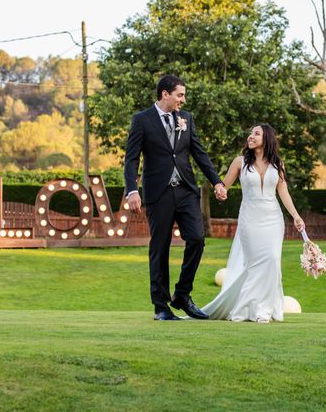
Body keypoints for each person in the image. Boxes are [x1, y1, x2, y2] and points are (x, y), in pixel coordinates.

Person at [124, 74, 227, 321]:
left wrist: (217, 181)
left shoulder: (186, 119)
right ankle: (161, 306)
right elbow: (131, 158)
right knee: (160, 247)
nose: (183, 100)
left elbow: (199, 153)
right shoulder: (142, 120)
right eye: (180, 95)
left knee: (197, 239)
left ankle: (182, 294)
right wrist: (132, 190)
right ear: (165, 94)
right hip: (158, 193)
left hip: (185, 190)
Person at [202, 124, 305, 323]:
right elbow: (224, 186)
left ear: (266, 138)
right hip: (249, 218)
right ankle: (245, 309)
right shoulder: (240, 162)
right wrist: (220, 191)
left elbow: (283, 192)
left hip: (273, 219)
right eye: (250, 133)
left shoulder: (278, 164)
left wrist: (295, 215)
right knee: (253, 264)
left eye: (256, 134)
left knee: (272, 261)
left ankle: (264, 310)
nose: (251, 136)